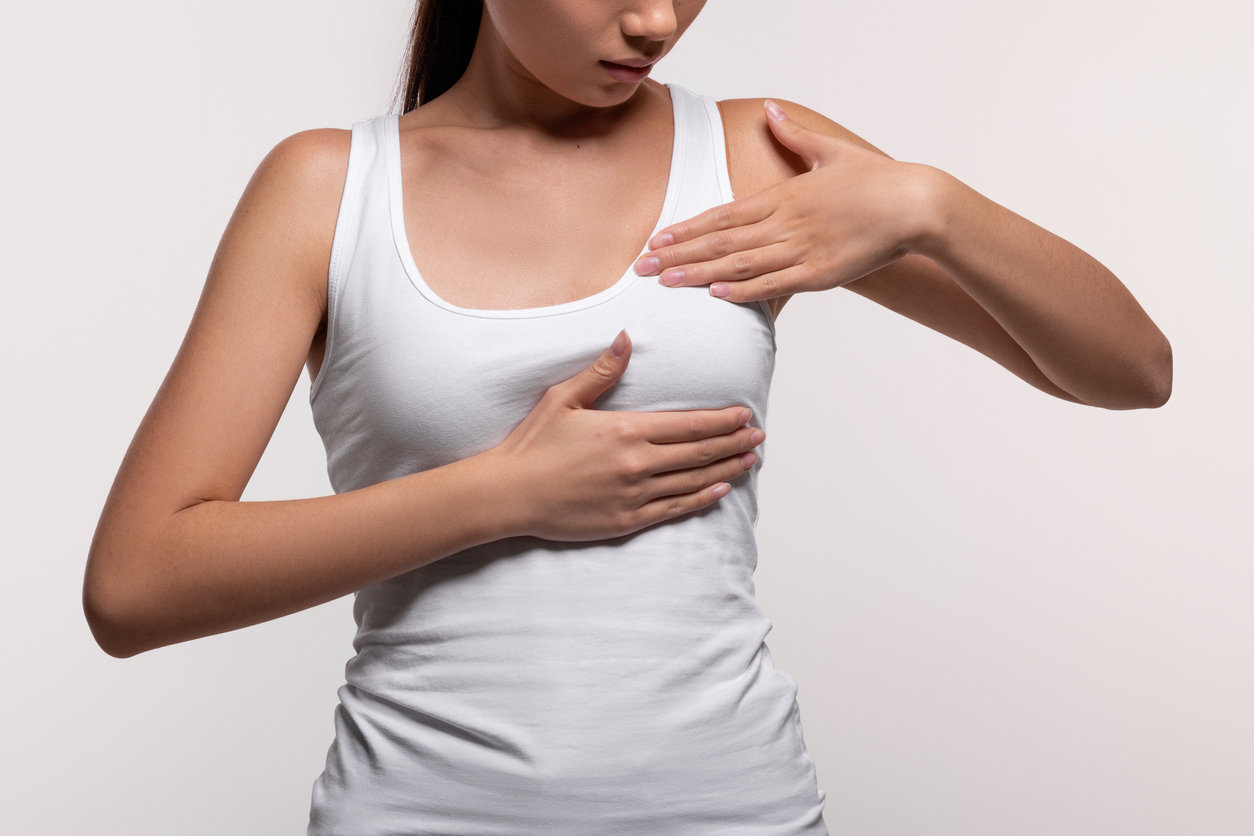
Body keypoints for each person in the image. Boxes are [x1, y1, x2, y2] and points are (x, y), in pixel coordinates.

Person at [83, 1, 1172, 833]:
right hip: (415, 807)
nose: (658, 21)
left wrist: (932, 204)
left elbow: (1129, 368)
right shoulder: (332, 186)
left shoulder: (754, 159)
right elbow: (136, 583)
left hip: (738, 804)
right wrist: (501, 491)